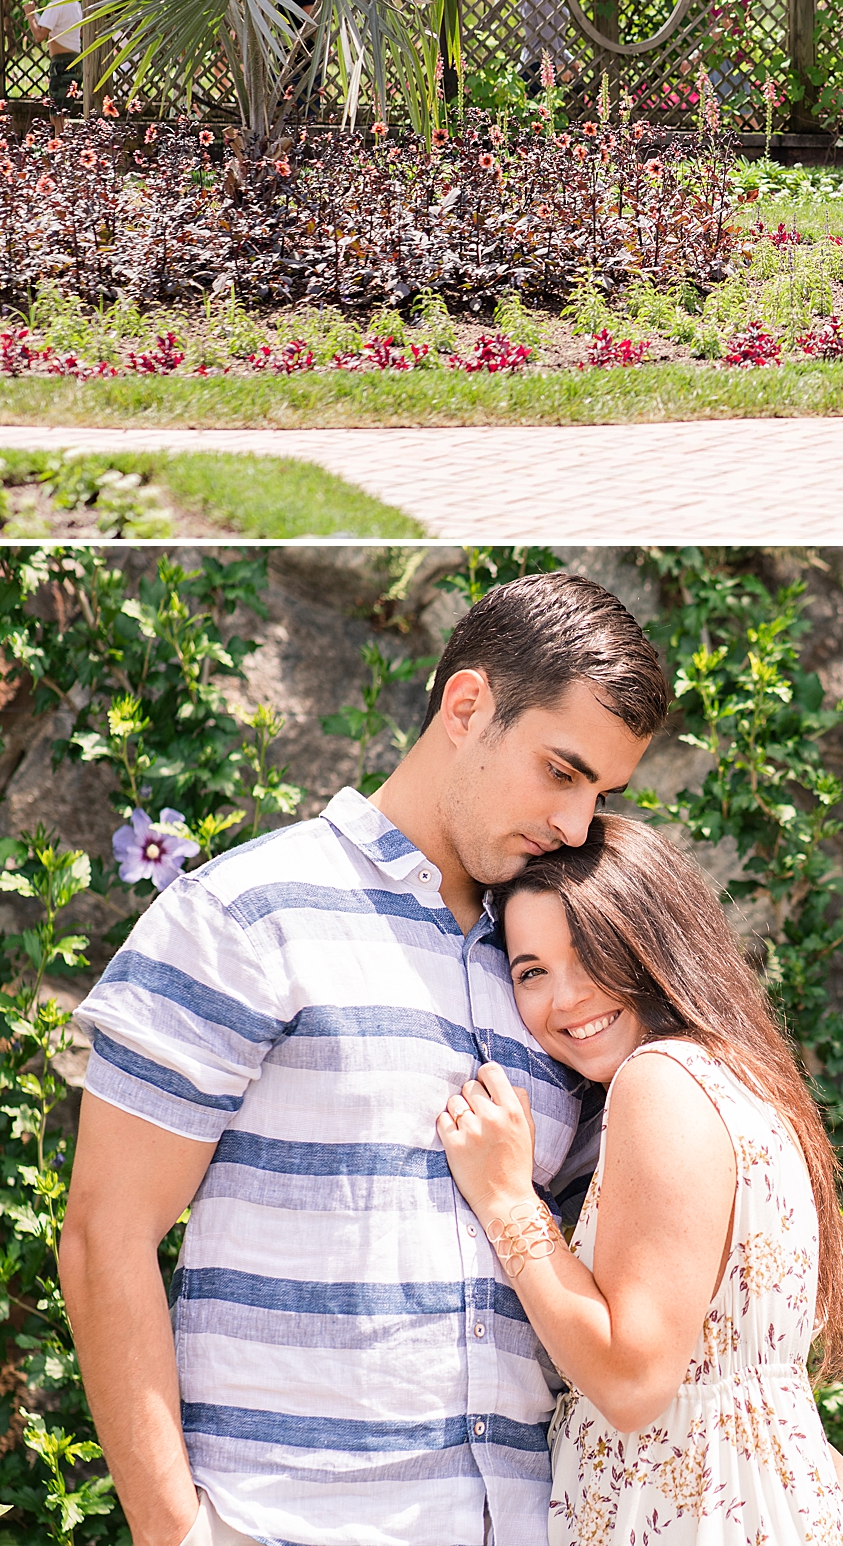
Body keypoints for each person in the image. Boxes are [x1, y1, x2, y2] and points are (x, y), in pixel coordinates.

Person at [59, 572, 671, 1546]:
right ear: (466, 706)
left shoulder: (566, 988)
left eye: (602, 793)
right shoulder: (250, 913)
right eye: (562, 771)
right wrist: (174, 1531)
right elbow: (104, 1236)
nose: (575, 825)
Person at [436, 812, 843, 1545]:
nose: (566, 996)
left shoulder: (660, 1082)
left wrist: (508, 1197)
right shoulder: (740, 1078)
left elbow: (633, 1381)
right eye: (532, 970)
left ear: (653, 941)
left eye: (591, 950)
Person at [27, 0, 84, 111]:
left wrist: (30, 14)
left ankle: (59, 135)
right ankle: (63, 134)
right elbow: (80, 32)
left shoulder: (56, 4)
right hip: (76, 62)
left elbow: (40, 35)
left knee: (57, 114)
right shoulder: (75, 3)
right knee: (65, 110)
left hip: (61, 63)